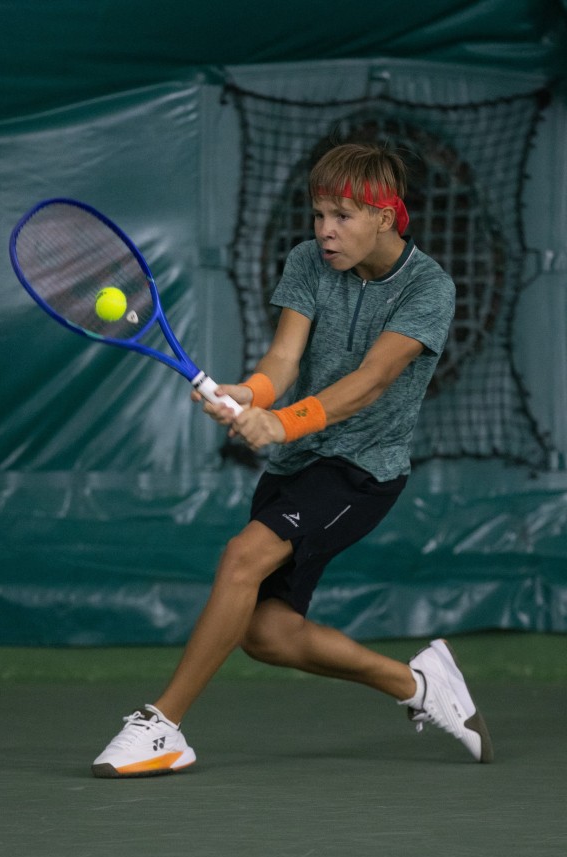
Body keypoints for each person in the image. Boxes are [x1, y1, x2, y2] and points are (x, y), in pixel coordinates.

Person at [92, 142, 493, 778]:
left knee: (242, 556)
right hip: (297, 464)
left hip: (361, 470)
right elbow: (283, 358)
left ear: (385, 216)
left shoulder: (429, 288)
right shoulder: (308, 261)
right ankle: (418, 685)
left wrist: (280, 422)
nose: (325, 230)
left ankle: (162, 724)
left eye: (342, 216)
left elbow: (371, 380)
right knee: (267, 634)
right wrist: (250, 395)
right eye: (319, 214)